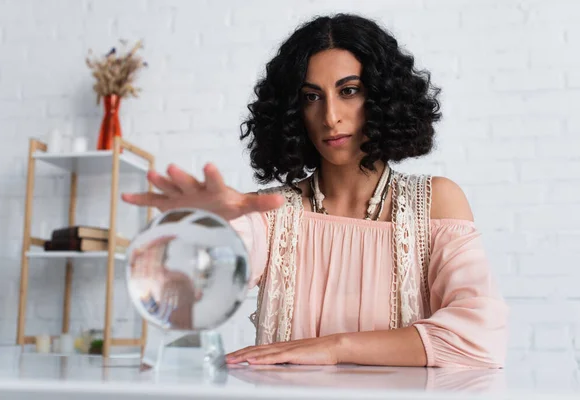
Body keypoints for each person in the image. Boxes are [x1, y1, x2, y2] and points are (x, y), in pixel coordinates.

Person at [122, 13, 508, 368]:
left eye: (350, 90)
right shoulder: (270, 214)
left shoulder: (435, 203)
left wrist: (334, 348)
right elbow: (185, 297)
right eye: (311, 97)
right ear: (293, 110)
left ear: (383, 98)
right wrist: (201, 229)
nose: (330, 116)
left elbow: (479, 336)